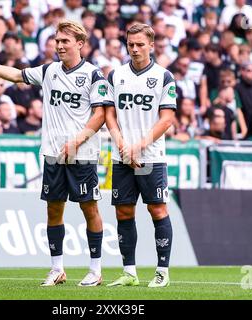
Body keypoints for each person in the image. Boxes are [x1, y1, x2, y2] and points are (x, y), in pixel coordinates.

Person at [0, 20, 107, 287]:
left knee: (89, 208)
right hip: (53, 154)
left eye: (65, 41)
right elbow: (16, 75)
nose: (60, 45)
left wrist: (79, 139)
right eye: (57, 40)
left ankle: (95, 270)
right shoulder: (49, 70)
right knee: (54, 210)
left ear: (80, 43)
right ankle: (57, 269)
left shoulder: (93, 74)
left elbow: (101, 114)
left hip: (83, 154)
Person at [104, 24, 176, 288]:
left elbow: (166, 119)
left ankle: (162, 271)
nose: (134, 49)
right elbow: (109, 113)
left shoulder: (163, 77)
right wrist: (121, 142)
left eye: (139, 44)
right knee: (123, 212)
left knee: (157, 210)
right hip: (122, 155)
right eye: (130, 44)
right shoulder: (116, 75)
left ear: (151, 46)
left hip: (152, 157)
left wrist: (139, 145)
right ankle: (129, 272)